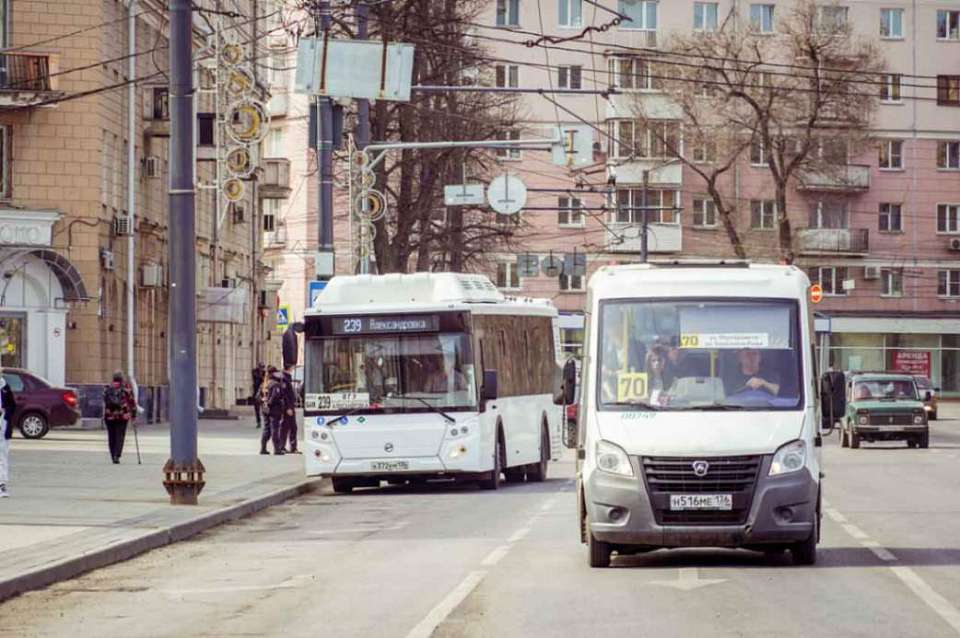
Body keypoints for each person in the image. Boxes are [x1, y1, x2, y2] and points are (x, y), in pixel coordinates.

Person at [103, 371, 137, 464]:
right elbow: (132, 402)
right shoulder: (126, 389)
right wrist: (133, 415)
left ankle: (112, 454)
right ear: (122, 379)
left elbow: (105, 402)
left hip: (109, 416)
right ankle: (117, 455)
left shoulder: (107, 388)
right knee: (120, 436)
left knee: (111, 436)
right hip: (122, 416)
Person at [261, 366, 284, 455]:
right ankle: (277, 449)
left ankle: (263, 448)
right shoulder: (275, 384)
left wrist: (264, 402)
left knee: (266, 429)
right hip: (274, 410)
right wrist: (270, 403)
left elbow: (257, 397)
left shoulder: (264, 384)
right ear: (273, 373)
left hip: (265, 409)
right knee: (275, 429)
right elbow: (275, 397)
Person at [0, 376, 16, 497]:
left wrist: (4, 411)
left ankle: (2, 484)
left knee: (2, 456)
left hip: (3, 427)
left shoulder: (4, 387)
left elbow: (12, 405)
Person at [281, 365, 300, 454]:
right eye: (292, 368)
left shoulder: (287, 378)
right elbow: (285, 395)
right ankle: (282, 446)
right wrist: (288, 407)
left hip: (291, 407)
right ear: (289, 368)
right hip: (288, 408)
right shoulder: (284, 378)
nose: (293, 369)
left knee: (292, 427)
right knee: (286, 427)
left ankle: (292, 447)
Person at [251, 362, 265, 429]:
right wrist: (261, 375)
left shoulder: (264, 372)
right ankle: (258, 422)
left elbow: (264, 380)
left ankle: (266, 421)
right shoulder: (254, 371)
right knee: (257, 408)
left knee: (264, 407)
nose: (262, 369)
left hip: (263, 392)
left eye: (262, 368)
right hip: (256, 392)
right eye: (261, 367)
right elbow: (257, 378)